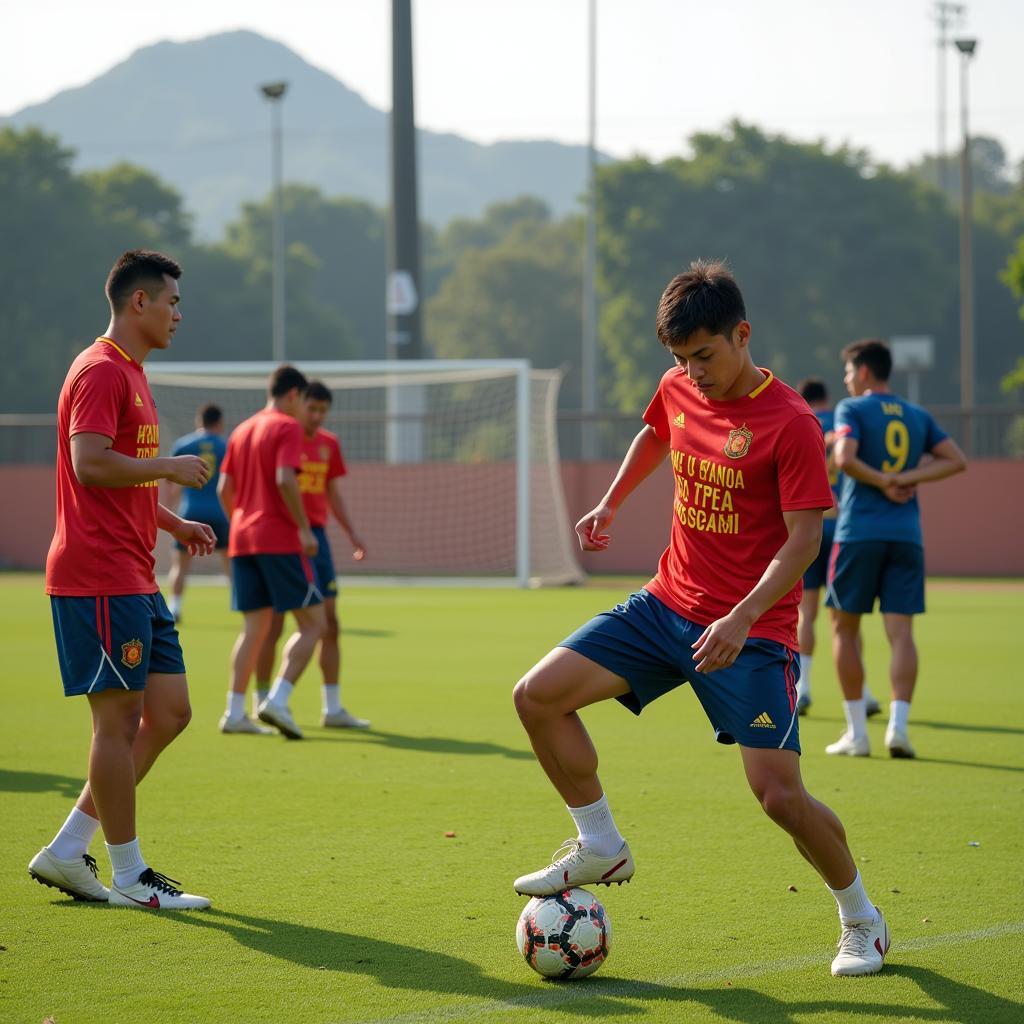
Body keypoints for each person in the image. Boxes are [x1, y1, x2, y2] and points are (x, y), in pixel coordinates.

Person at [512, 260, 889, 977]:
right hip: (666, 605)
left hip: (751, 633)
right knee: (536, 696)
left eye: (705, 356)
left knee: (779, 796)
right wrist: (614, 501)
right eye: (680, 361)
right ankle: (599, 843)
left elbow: (805, 539)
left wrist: (743, 619)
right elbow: (657, 434)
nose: (692, 373)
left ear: (742, 335)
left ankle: (861, 921)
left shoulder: (793, 424)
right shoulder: (678, 385)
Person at [30, 249, 214, 910]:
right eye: (171, 302)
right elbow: (90, 464)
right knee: (119, 721)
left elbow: (122, 473)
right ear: (139, 302)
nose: (177, 315)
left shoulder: (133, 374)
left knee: (170, 711)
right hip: (98, 575)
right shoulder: (101, 370)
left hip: (134, 573)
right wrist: (170, 465)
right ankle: (130, 874)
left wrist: (172, 524)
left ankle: (66, 849)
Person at [825, 339, 967, 758]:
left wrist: (884, 479)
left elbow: (846, 459)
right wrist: (908, 476)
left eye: (849, 371)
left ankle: (857, 733)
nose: (847, 379)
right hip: (907, 535)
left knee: (843, 628)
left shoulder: (853, 410)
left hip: (859, 533)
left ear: (864, 372)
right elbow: (955, 460)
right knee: (901, 633)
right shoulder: (916, 413)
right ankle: (898, 728)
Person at [253, 380, 370, 729]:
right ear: (298, 402)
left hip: (316, 540)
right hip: (282, 537)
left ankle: (331, 707)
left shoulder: (328, 444)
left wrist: (352, 533)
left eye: (323, 411)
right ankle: (263, 699)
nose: (317, 416)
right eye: (312, 408)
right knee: (272, 624)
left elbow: (332, 493)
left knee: (330, 623)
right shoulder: (282, 435)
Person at [217, 364, 326, 739]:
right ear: (294, 395)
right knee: (315, 623)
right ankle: (277, 699)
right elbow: (284, 479)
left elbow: (223, 491)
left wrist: (242, 522)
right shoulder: (287, 427)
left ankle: (234, 712)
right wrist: (302, 527)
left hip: (242, 539)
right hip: (278, 539)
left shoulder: (242, 429)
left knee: (253, 628)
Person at [795, 378, 880, 718]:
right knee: (846, 619)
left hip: (811, 526)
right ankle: (865, 693)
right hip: (844, 527)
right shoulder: (847, 419)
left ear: (804, 399)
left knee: (807, 613)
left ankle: (803, 687)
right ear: (828, 397)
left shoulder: (802, 421)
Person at [165, 403, 230, 622]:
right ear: (219, 423)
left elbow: (172, 488)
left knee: (180, 565)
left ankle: (175, 607)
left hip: (190, 512)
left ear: (198, 422)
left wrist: (169, 513)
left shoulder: (183, 445)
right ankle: (240, 603)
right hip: (221, 513)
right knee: (231, 564)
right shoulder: (227, 446)